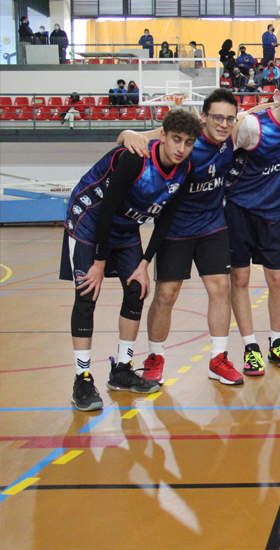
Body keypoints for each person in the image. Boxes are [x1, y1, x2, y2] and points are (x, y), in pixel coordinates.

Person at [64, 109, 201, 411]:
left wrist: (144, 263)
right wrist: (99, 263)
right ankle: (82, 378)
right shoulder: (135, 157)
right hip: (90, 219)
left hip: (126, 226)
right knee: (87, 292)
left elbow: (165, 220)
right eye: (176, 140)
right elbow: (108, 208)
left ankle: (122, 370)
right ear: (162, 136)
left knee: (137, 289)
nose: (181, 148)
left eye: (188, 143)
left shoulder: (184, 168)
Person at [117, 89, 244, 386]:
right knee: (166, 294)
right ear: (203, 119)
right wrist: (126, 131)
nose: (224, 124)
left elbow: (265, 109)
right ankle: (155, 356)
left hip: (213, 224)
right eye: (217, 118)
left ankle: (218, 358)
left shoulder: (233, 133)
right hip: (175, 228)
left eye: (229, 118)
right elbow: (145, 135)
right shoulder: (187, 142)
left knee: (220, 288)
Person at [226, 70, 280, 375]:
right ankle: (250, 346)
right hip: (237, 212)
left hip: (273, 215)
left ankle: (276, 342)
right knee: (240, 280)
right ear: (277, 95)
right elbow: (214, 138)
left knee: (277, 280)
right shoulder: (251, 126)